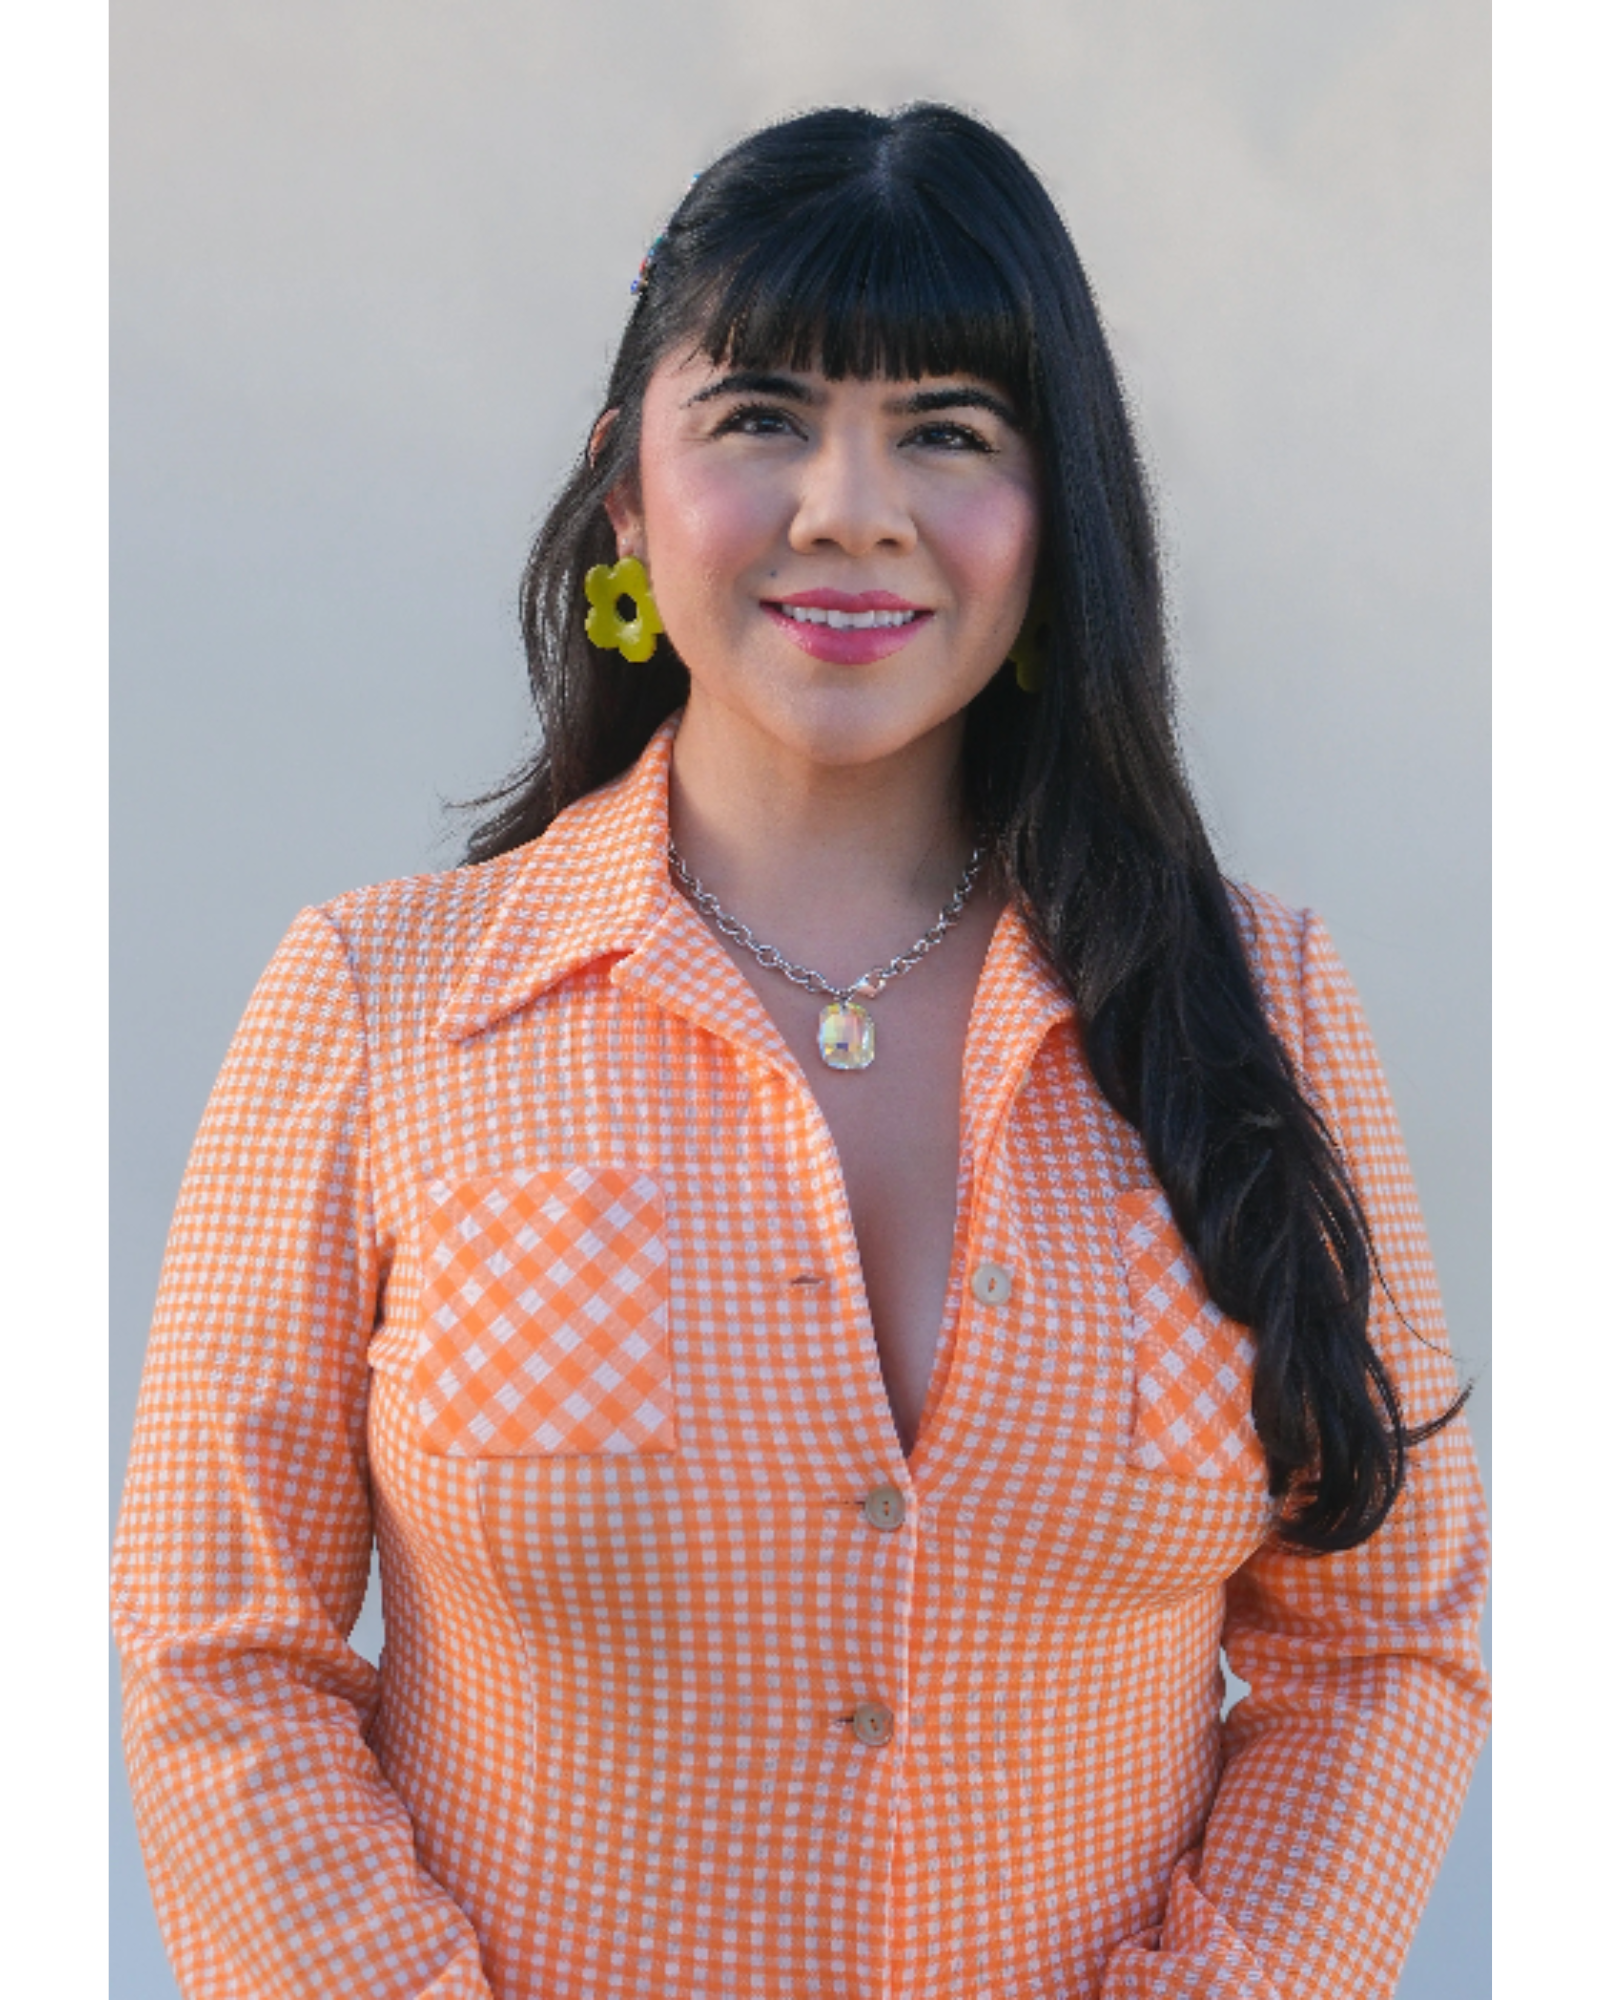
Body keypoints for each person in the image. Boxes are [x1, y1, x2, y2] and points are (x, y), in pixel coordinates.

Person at [113, 104, 1489, 2000]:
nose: (850, 502)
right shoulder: (379, 1002)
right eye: (762, 414)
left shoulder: (1265, 1012)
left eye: (949, 428)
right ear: (624, 492)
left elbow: (1386, 1647)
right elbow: (218, 1643)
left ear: (1054, 511)